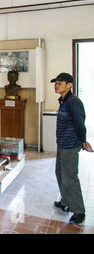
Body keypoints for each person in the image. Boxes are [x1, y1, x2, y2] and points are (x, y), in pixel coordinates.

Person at [51, 72, 92, 224]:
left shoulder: (73, 102)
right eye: (55, 83)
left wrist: (83, 140)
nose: (56, 85)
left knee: (70, 178)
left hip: (70, 145)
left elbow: (79, 123)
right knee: (60, 173)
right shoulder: (63, 100)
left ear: (70, 85)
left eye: (60, 83)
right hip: (62, 144)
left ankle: (79, 211)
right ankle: (65, 202)